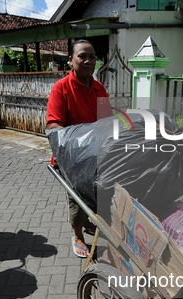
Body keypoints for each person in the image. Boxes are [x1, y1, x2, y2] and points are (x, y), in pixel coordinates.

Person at [47, 39, 111, 258]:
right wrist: (82, 142)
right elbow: (55, 126)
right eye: (82, 56)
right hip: (71, 159)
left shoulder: (99, 88)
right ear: (71, 60)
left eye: (92, 56)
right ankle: (77, 236)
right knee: (77, 199)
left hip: (96, 156)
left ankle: (90, 222)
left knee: (99, 193)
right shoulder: (61, 89)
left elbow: (106, 121)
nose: (88, 60)